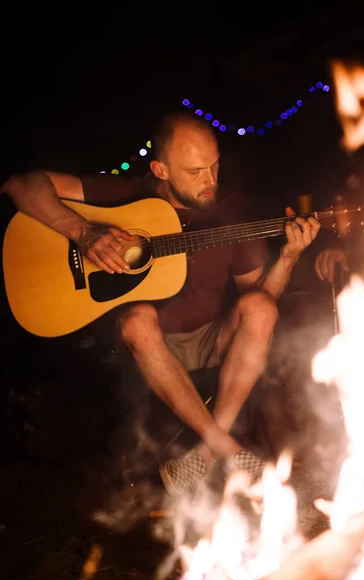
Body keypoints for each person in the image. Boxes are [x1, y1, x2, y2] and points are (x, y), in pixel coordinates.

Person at [3, 111, 321, 495]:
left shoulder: (233, 213)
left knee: (261, 309)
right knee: (138, 318)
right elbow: (20, 184)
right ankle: (226, 448)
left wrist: (289, 256)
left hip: (208, 339)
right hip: (144, 342)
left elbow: (261, 302)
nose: (211, 181)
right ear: (160, 169)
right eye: (196, 171)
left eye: (215, 166)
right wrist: (83, 232)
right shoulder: (128, 196)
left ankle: (204, 454)